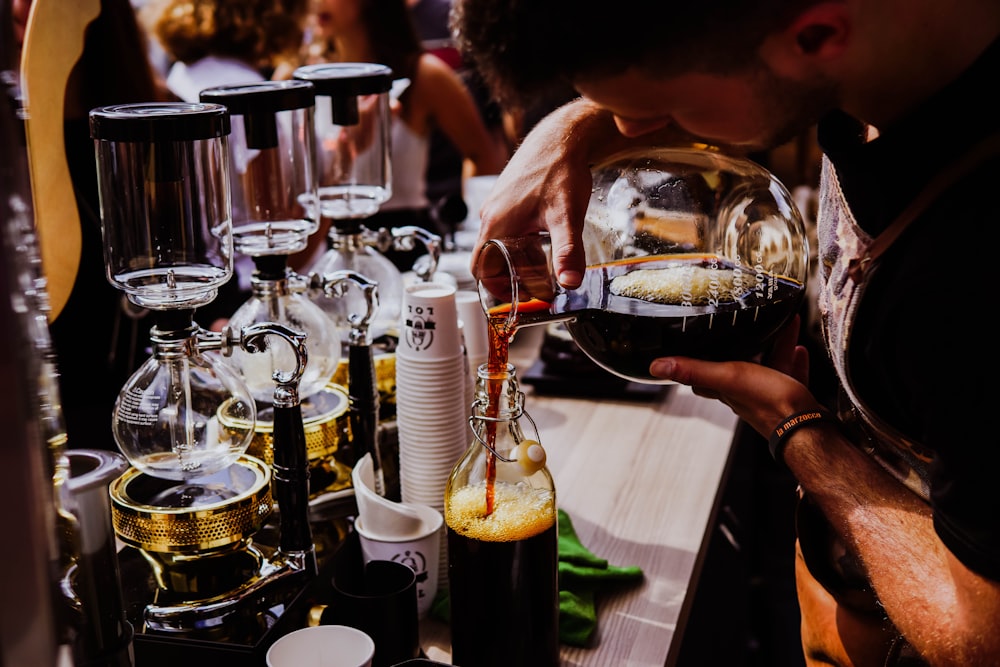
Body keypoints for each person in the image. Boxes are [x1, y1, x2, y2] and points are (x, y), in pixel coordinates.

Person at [451, 1, 1000, 665]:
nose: (628, 130)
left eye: (661, 107)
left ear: (818, 36)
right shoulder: (875, 60)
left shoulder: (971, 270)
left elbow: (981, 635)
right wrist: (570, 131)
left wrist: (799, 433)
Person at [305, 0, 507, 270]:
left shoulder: (423, 75)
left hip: (406, 251)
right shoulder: (300, 79)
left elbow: (485, 159)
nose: (317, 3)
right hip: (328, 254)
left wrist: (467, 224)